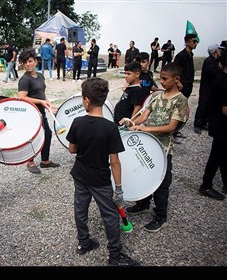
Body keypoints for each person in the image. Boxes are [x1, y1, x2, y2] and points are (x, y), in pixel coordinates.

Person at [66, 77, 141, 267]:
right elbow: (114, 162)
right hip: (100, 180)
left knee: (80, 210)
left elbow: (72, 150)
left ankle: (84, 243)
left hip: (80, 175)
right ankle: (115, 256)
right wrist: (119, 189)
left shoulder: (77, 122)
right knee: (109, 215)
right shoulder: (110, 128)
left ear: (86, 101)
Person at [121, 62, 188, 232]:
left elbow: (172, 127)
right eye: (161, 78)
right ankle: (143, 204)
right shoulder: (158, 96)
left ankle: (160, 216)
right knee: (145, 174)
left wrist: (145, 129)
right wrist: (131, 123)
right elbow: (144, 115)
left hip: (164, 149)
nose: (162, 82)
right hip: (149, 144)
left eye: (165, 79)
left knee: (162, 183)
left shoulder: (180, 100)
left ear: (176, 79)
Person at [17, 48, 60, 174]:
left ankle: (45, 161)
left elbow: (41, 94)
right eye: (25, 62)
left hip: (41, 112)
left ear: (36, 61)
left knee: (47, 134)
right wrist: (41, 102)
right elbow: (22, 98)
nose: (28, 64)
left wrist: (49, 104)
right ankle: (30, 162)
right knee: (33, 138)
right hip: (30, 114)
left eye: (30, 61)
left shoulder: (40, 76)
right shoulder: (24, 80)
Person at [197, 50, 227, 201]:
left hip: (218, 124)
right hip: (221, 125)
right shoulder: (223, 81)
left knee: (222, 155)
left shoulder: (221, 78)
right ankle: (206, 185)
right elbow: (225, 109)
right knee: (216, 156)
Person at [193, 43, 223, 134]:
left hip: (212, 89)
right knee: (203, 106)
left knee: (209, 106)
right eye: (219, 49)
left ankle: (204, 123)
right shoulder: (208, 61)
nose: (220, 51)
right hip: (206, 89)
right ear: (215, 51)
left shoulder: (216, 60)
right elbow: (214, 73)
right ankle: (197, 125)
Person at [113, 60, 146, 125]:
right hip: (118, 122)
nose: (126, 76)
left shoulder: (137, 90)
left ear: (137, 74)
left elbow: (137, 108)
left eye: (128, 74)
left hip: (125, 125)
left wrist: (131, 122)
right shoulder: (130, 87)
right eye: (125, 73)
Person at [173, 34, 197, 99]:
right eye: (194, 41)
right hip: (182, 85)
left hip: (189, 85)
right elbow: (174, 70)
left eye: (196, 41)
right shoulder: (180, 56)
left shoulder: (190, 55)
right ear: (187, 43)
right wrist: (178, 83)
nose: (196, 43)